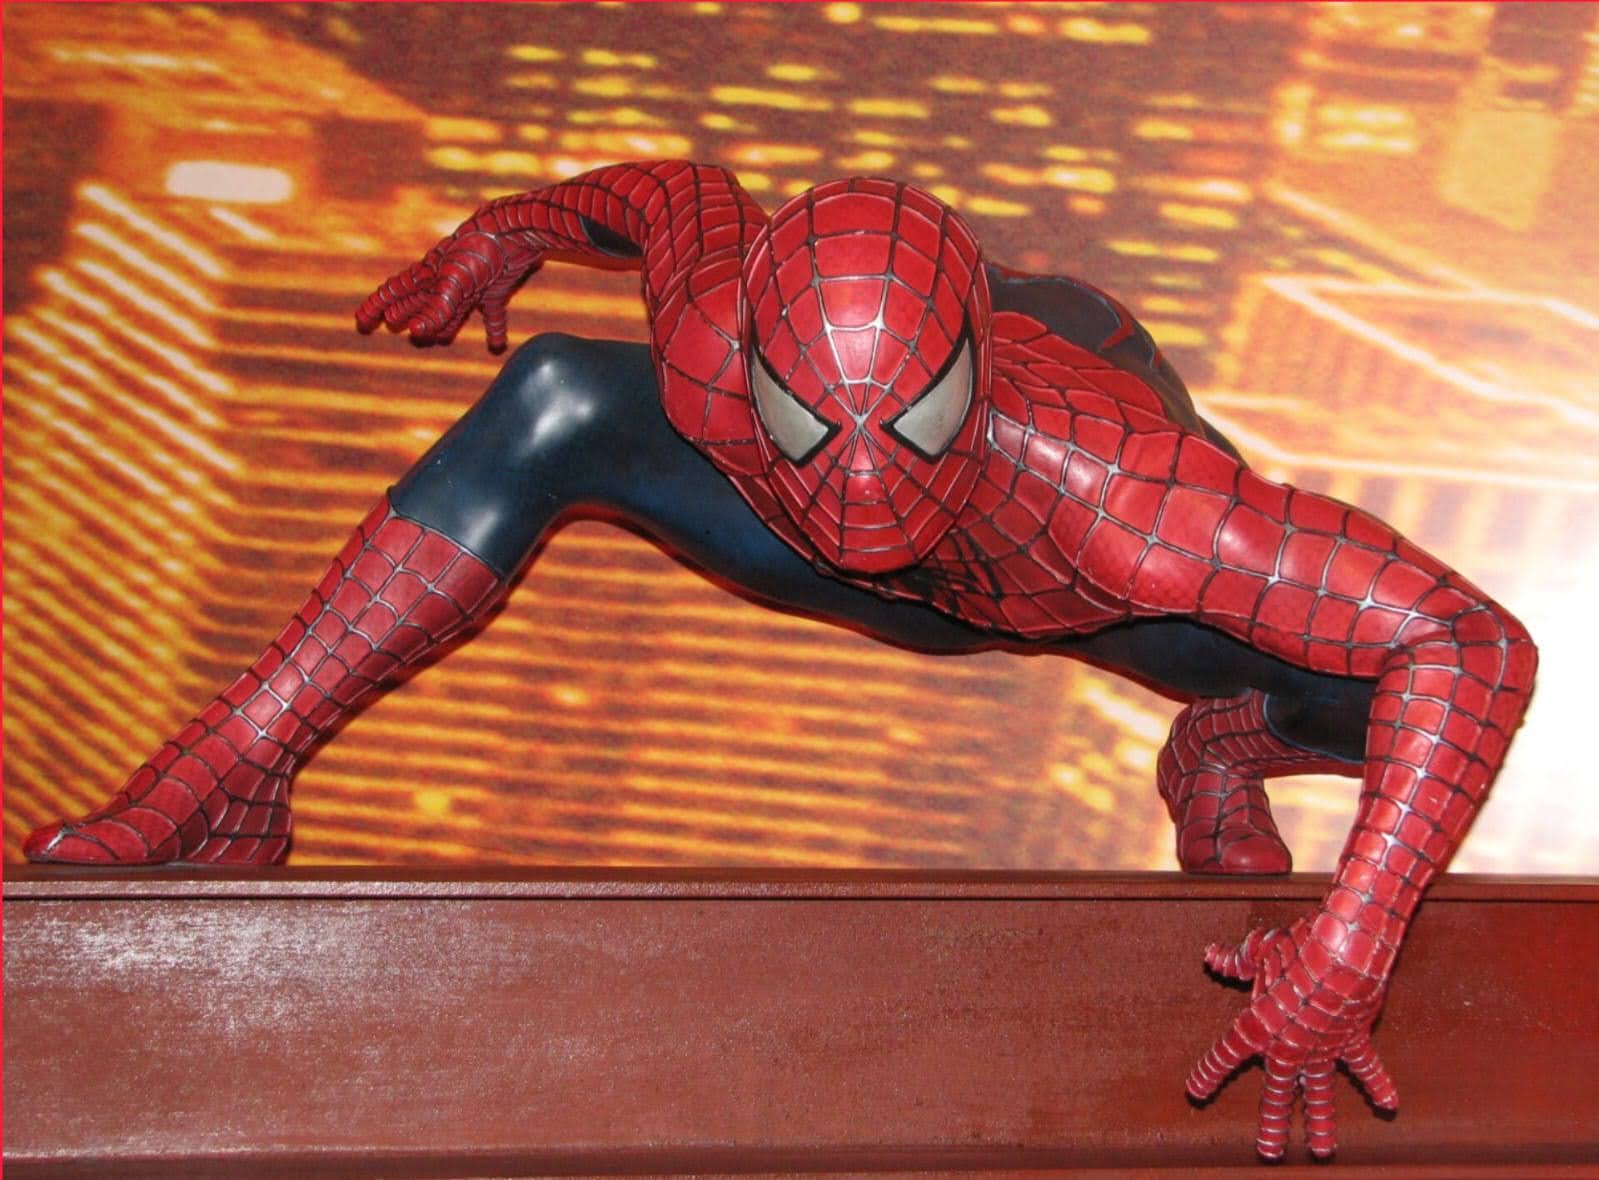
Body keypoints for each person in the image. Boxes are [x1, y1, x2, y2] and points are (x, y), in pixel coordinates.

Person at [25, 161, 1536, 1161]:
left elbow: (1469, 643)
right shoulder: (710, 341)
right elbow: (671, 194)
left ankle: (1227, 738)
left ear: (973, 385)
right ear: (750, 364)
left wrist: (1349, 950)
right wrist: (511, 229)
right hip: (898, 528)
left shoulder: (1131, 496)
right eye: (817, 426)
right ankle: (238, 763)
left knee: (1373, 701)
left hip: (1066, 572)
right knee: (552, 396)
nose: (866, 486)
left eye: (909, 425)